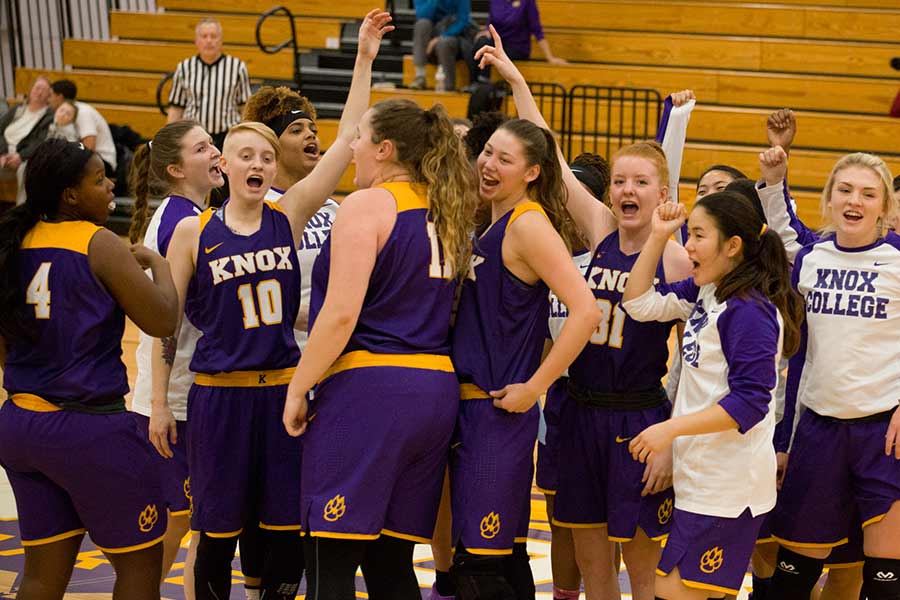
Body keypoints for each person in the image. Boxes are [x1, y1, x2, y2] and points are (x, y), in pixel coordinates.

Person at [159, 11, 393, 599]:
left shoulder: (289, 217)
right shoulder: (193, 231)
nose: (258, 164)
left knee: (283, 535)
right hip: (217, 397)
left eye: (266, 157)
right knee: (215, 535)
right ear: (224, 167)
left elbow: (344, 142)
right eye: (245, 156)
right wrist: (162, 403)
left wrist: (363, 57)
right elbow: (165, 325)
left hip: (282, 390)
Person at [478, 29, 695, 600]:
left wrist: (671, 438)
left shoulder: (675, 254)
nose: (626, 189)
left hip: (639, 418)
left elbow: (696, 361)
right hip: (577, 413)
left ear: (662, 191)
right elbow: (547, 152)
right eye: (620, 180)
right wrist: (518, 80)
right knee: (594, 567)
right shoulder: (599, 226)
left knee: (643, 571)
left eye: (640, 182)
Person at [282, 97, 477, 599]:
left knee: (330, 557)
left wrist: (299, 386)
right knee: (391, 563)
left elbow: (342, 314)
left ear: (385, 149)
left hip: (370, 390)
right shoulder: (445, 206)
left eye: (360, 138)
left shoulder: (367, 204)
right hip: (434, 391)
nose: (351, 148)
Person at [0, 138, 179, 599]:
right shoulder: (98, 243)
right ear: (70, 195)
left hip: (21, 425)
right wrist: (159, 265)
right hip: (88, 430)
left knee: (42, 572)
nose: (110, 186)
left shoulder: (14, 242)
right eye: (99, 180)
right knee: (140, 567)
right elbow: (161, 320)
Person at [621, 192, 804, 600]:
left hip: (727, 488)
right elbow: (637, 302)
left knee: (669, 592)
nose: (688, 245)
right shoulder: (710, 291)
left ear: (732, 246)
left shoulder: (750, 311)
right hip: (701, 479)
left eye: (698, 235)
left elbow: (751, 403)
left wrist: (669, 430)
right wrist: (657, 236)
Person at [756, 147, 900, 600]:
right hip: (818, 429)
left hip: (884, 432)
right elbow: (799, 358)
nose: (855, 200)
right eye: (846, 190)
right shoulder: (811, 259)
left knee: (884, 574)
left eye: (868, 193)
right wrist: (784, 441)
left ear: (884, 206)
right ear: (830, 198)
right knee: (793, 572)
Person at [127, 120, 225, 600]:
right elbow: (168, 318)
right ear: (175, 168)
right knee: (178, 522)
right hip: (173, 399)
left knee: (194, 521)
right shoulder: (181, 220)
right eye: (202, 147)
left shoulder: (188, 213)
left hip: (187, 392)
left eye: (214, 142)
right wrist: (161, 404)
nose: (216, 152)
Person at [536, 152, 612, 600]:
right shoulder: (543, 260)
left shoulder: (612, 256)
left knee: (605, 522)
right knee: (559, 515)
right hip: (560, 401)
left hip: (608, 398)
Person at [167, 18, 250, 153]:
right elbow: (176, 108)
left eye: (214, 36)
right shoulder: (184, 68)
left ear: (221, 40)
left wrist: (246, 137)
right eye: (204, 36)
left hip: (227, 137)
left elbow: (244, 107)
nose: (209, 40)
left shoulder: (237, 67)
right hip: (193, 137)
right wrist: (169, 140)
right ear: (197, 41)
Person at [468, 0, 566, 86]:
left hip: (517, 46)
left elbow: (537, 30)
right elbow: (491, 22)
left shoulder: (527, 1)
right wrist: (486, 31)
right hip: (498, 43)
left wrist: (549, 57)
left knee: (492, 51)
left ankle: (483, 84)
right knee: (481, 42)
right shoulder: (495, 1)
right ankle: (475, 82)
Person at [49, 80, 118, 178]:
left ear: (59, 97)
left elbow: (89, 147)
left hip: (102, 160)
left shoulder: (82, 112)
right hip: (84, 158)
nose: (48, 100)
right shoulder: (61, 114)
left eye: (50, 95)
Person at [0, 76, 52, 204]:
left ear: (48, 95)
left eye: (43, 90)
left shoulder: (49, 115)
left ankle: (21, 213)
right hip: (4, 152)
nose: (39, 92)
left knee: (27, 169)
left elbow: (40, 141)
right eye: (37, 88)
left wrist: (20, 156)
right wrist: (2, 153)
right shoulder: (17, 109)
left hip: (24, 157)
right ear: (30, 90)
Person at [410, 0, 475, 91]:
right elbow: (422, 15)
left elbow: (463, 21)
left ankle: (448, 86)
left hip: (453, 35)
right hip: (430, 37)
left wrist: (440, 38)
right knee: (422, 24)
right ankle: (420, 76)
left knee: (444, 42)